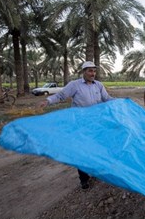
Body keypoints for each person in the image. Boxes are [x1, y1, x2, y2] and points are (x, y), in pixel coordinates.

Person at [39, 61, 114, 189]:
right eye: (90, 71)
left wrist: (122, 102)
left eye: (94, 71)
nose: (93, 73)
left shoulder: (99, 85)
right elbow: (61, 95)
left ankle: (96, 171)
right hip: (80, 124)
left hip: (96, 124)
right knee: (82, 150)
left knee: (96, 148)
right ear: (83, 72)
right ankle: (84, 179)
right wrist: (48, 100)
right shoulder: (75, 85)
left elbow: (107, 99)